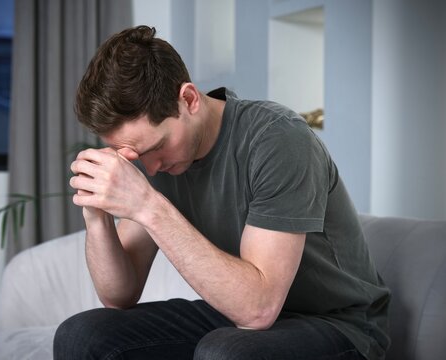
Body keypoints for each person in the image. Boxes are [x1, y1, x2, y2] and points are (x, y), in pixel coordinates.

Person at [54, 25, 390, 360]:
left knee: (224, 353)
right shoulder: (152, 156)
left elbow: (259, 309)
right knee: (82, 335)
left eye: (157, 147)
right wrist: (95, 213)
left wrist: (147, 205)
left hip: (339, 324)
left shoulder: (278, 140)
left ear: (188, 99)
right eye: (136, 155)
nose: (151, 168)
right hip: (237, 316)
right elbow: (119, 296)